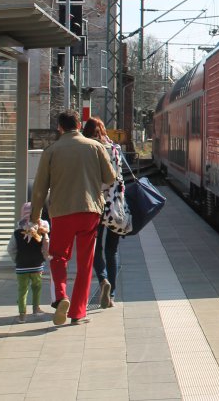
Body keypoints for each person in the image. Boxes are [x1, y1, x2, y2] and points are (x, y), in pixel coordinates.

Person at [30, 109, 117, 325]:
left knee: (58, 257)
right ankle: (78, 313)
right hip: (90, 212)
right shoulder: (95, 147)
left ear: (60, 127)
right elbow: (110, 177)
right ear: (79, 125)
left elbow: (40, 189)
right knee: (86, 262)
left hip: (62, 212)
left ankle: (61, 298)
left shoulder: (51, 151)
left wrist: (35, 218)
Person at [82, 116, 122, 309]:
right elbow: (119, 179)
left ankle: (103, 279)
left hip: (94, 205)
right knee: (112, 249)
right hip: (114, 206)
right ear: (104, 131)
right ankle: (112, 294)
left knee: (95, 248)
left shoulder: (87, 149)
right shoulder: (115, 149)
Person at [6, 202, 50, 323]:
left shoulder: (17, 233)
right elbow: (46, 248)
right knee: (37, 287)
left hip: (21, 266)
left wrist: (17, 259)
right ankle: (36, 309)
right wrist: (43, 257)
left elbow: (10, 249)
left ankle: (22, 314)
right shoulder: (41, 231)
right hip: (37, 265)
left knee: (22, 290)